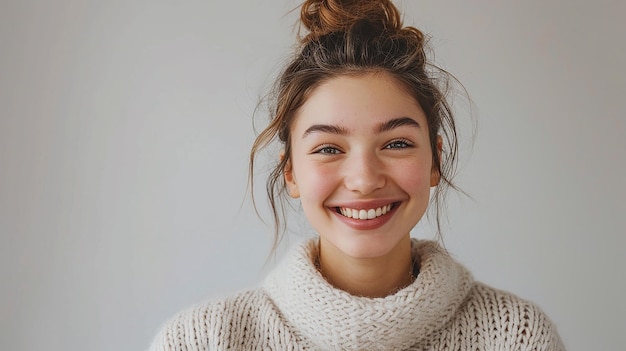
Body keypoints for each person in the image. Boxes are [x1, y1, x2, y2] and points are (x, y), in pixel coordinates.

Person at [150, 0, 565, 350]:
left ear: (435, 161)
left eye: (397, 143)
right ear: (290, 171)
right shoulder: (203, 340)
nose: (364, 180)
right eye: (329, 149)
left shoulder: (516, 338)